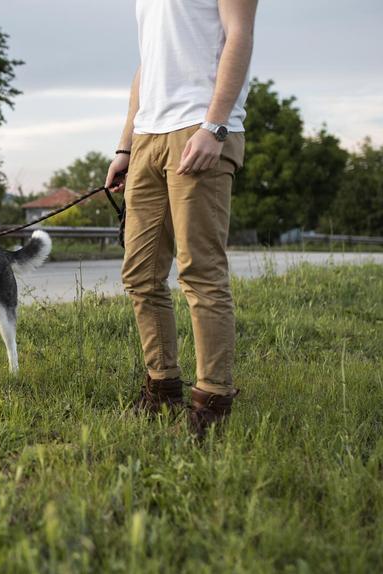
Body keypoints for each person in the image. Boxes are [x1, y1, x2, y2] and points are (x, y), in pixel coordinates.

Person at [105, 0, 258, 439]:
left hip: (199, 128)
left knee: (200, 272)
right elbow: (147, 65)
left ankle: (213, 400)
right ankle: (163, 387)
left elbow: (239, 38)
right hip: (148, 136)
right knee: (140, 274)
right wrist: (126, 146)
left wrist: (216, 126)